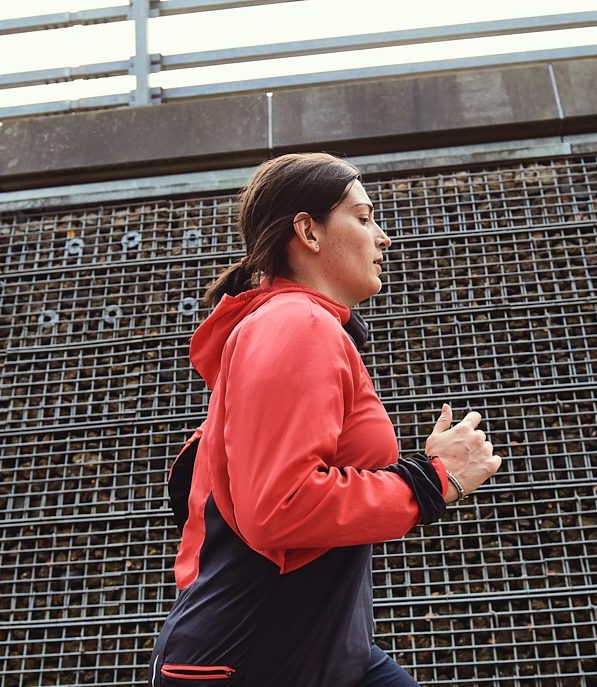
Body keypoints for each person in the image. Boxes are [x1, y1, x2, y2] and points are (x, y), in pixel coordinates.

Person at [149, 152, 502, 687]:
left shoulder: (297, 326)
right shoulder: (295, 325)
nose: (384, 238)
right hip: (250, 664)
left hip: (328, 656)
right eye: (363, 218)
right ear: (307, 232)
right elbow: (278, 506)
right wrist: (432, 482)